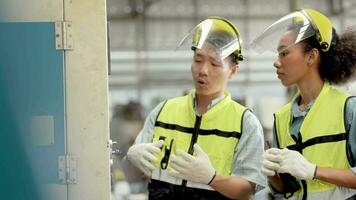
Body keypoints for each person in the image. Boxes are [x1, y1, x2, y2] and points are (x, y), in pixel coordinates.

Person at [124, 16, 266, 200]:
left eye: (215, 63)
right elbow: (135, 174)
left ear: (233, 70)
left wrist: (212, 178)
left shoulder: (245, 123)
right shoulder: (163, 111)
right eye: (198, 60)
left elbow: (247, 190)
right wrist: (131, 158)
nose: (203, 70)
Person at [251, 8, 356, 200]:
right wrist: (273, 176)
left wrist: (314, 170)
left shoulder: (348, 108)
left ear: (311, 56)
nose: (276, 62)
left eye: (284, 53)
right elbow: (286, 189)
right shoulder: (282, 118)